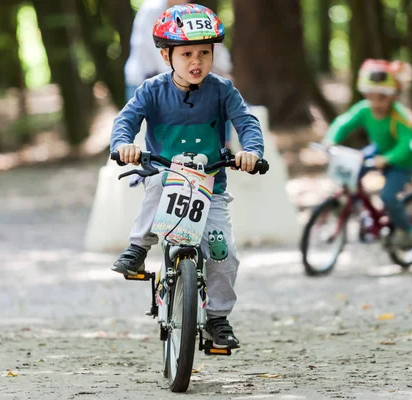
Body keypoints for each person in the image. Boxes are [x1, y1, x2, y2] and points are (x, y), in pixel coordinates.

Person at [110, 4, 264, 350]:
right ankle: (137, 248)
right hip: (167, 176)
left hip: (212, 186)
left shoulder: (223, 91)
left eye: (205, 53)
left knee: (225, 254)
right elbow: (126, 120)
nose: (197, 62)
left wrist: (251, 151)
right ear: (167, 57)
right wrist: (124, 145)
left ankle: (217, 319)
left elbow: (246, 122)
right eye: (187, 54)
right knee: (157, 181)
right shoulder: (151, 90)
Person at [324, 59, 412, 250]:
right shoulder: (364, 110)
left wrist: (388, 159)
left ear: (393, 96)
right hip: (379, 150)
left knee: (388, 196)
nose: (376, 103)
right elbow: (344, 122)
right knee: (352, 171)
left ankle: (407, 230)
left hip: (402, 160)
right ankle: (363, 210)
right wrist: (330, 139)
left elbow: (406, 144)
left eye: (382, 98)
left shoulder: (400, 116)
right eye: (371, 96)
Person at [124, 0, 232, 101]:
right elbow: (160, 58)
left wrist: (224, 75)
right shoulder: (152, 11)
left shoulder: (196, 13)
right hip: (145, 83)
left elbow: (216, 49)